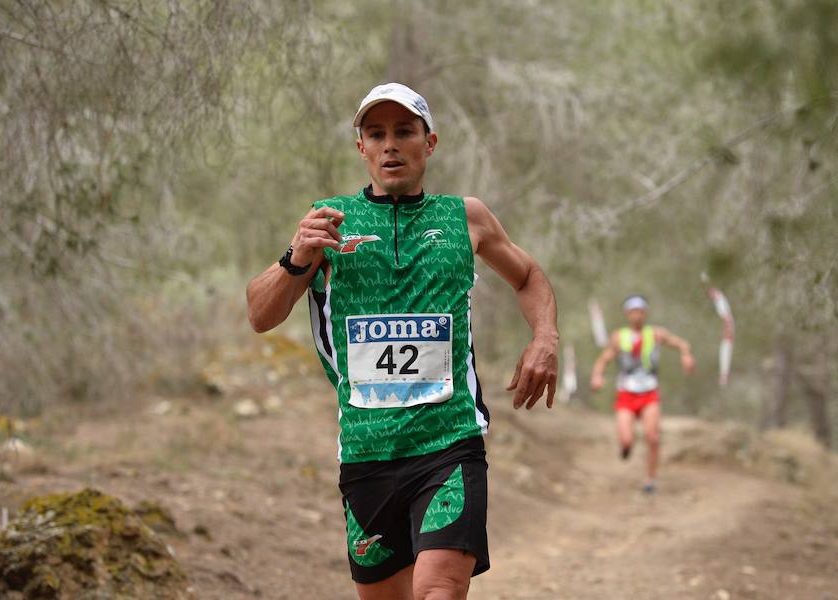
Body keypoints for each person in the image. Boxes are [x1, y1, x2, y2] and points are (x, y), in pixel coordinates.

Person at [246, 82, 559, 600]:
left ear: (429, 142)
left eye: (404, 131)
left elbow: (529, 277)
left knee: (440, 588)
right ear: (362, 148)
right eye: (376, 133)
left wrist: (544, 338)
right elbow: (260, 315)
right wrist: (296, 258)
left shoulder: (466, 217)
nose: (390, 144)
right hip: (367, 452)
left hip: (449, 443)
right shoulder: (328, 221)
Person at [589, 295, 695, 494]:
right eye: (632, 311)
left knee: (653, 437)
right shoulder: (619, 337)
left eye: (640, 311)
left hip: (649, 393)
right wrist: (597, 376)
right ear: (627, 314)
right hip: (626, 394)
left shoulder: (655, 334)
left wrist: (686, 356)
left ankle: (650, 480)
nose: (637, 315)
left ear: (645, 313)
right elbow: (603, 359)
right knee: (627, 440)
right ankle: (626, 447)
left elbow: (681, 344)